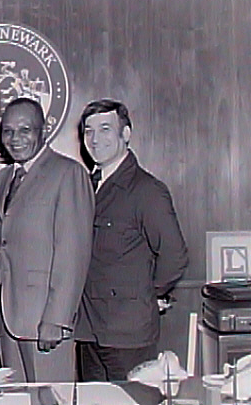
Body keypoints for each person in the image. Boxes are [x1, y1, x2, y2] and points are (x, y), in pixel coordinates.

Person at [75, 99, 189, 382]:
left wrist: (148, 296)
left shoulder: (147, 190)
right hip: (89, 330)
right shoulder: (87, 186)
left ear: (126, 134)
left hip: (128, 335)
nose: (95, 139)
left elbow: (175, 256)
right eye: (88, 131)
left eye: (105, 129)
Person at [0, 97, 94, 382]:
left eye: (25, 130)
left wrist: (57, 319)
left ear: (44, 130)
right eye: (8, 131)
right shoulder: (0, 180)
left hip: (45, 323)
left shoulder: (68, 173)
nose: (15, 138)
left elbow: (73, 253)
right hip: (7, 321)